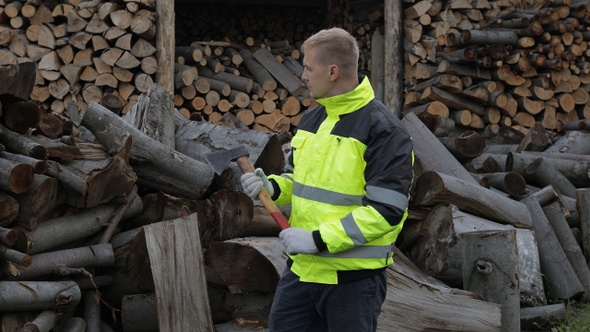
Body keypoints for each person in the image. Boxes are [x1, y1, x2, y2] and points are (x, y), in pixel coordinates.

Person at [241, 27, 414, 332]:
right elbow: (299, 181)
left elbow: (386, 212)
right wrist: (272, 187)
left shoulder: (384, 131)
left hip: (352, 283)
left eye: (308, 68)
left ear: (332, 71)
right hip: (302, 272)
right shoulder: (312, 119)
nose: (304, 76)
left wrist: (316, 240)